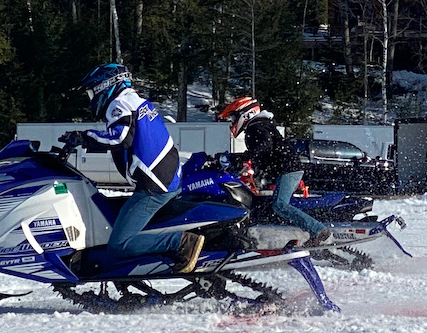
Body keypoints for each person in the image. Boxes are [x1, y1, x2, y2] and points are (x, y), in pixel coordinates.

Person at [78, 63, 203, 272]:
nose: (92, 99)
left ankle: (181, 243)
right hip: (167, 177)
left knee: (119, 244)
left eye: (92, 92)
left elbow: (120, 138)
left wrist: (84, 137)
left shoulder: (118, 104)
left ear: (104, 86)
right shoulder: (138, 102)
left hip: (154, 186)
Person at [218, 96, 332, 245]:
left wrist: (244, 157)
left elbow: (264, 146)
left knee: (280, 205)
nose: (232, 122)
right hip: (286, 168)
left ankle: (319, 230)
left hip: (288, 169)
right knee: (266, 202)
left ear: (246, 114)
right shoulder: (259, 125)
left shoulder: (256, 127)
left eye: (233, 117)